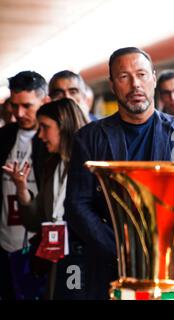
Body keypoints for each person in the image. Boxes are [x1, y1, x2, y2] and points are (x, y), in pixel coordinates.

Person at [64, 47, 174, 299]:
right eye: (124, 77)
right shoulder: (89, 138)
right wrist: (121, 250)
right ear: (112, 84)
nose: (135, 85)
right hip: (108, 267)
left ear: (153, 78)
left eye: (141, 74)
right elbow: (77, 204)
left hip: (168, 268)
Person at [2, 98, 88, 299]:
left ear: (64, 126)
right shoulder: (51, 167)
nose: (40, 135)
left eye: (45, 128)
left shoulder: (89, 168)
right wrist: (22, 189)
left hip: (81, 262)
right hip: (55, 262)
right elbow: (35, 221)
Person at [0, 71, 50, 299]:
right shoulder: (4, 137)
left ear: (44, 101)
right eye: (14, 106)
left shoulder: (51, 141)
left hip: (39, 242)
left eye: (27, 106)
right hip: (5, 240)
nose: (19, 113)